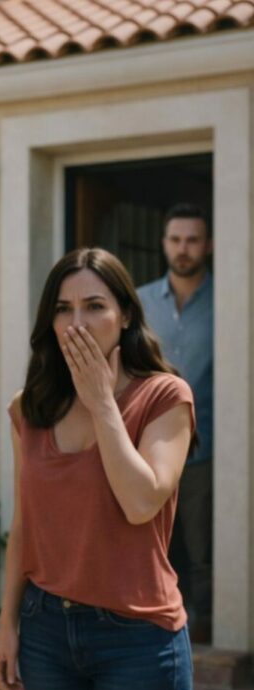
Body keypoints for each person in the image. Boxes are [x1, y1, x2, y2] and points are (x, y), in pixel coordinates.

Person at [0, 248, 195, 690]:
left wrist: (103, 403)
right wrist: (7, 625)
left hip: (138, 639)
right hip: (46, 633)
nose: (76, 322)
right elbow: (25, 526)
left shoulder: (165, 398)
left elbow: (141, 502)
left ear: (125, 315)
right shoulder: (29, 408)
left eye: (95, 306)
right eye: (63, 309)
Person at [138, 203, 213, 642]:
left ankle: (204, 632)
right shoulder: (140, 302)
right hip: (150, 447)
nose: (183, 249)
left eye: (192, 240)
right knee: (151, 543)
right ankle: (151, 627)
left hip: (207, 447)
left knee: (202, 549)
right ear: (164, 243)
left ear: (208, 245)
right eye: (175, 240)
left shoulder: (231, 299)